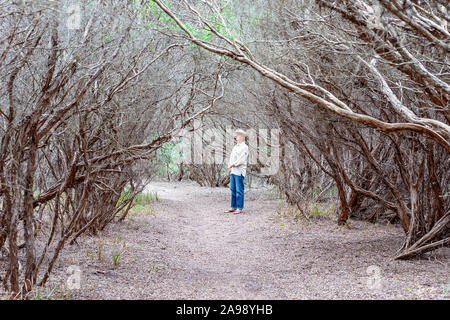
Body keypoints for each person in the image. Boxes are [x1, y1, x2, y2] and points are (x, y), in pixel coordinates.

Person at [224, 129, 249, 214]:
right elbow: (231, 157)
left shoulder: (245, 147)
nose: (236, 137)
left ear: (242, 137)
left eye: (238, 135)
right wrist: (230, 166)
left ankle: (239, 207)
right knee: (233, 189)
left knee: (239, 189)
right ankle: (233, 206)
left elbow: (241, 160)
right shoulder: (235, 147)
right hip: (233, 171)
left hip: (239, 171)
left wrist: (233, 164)